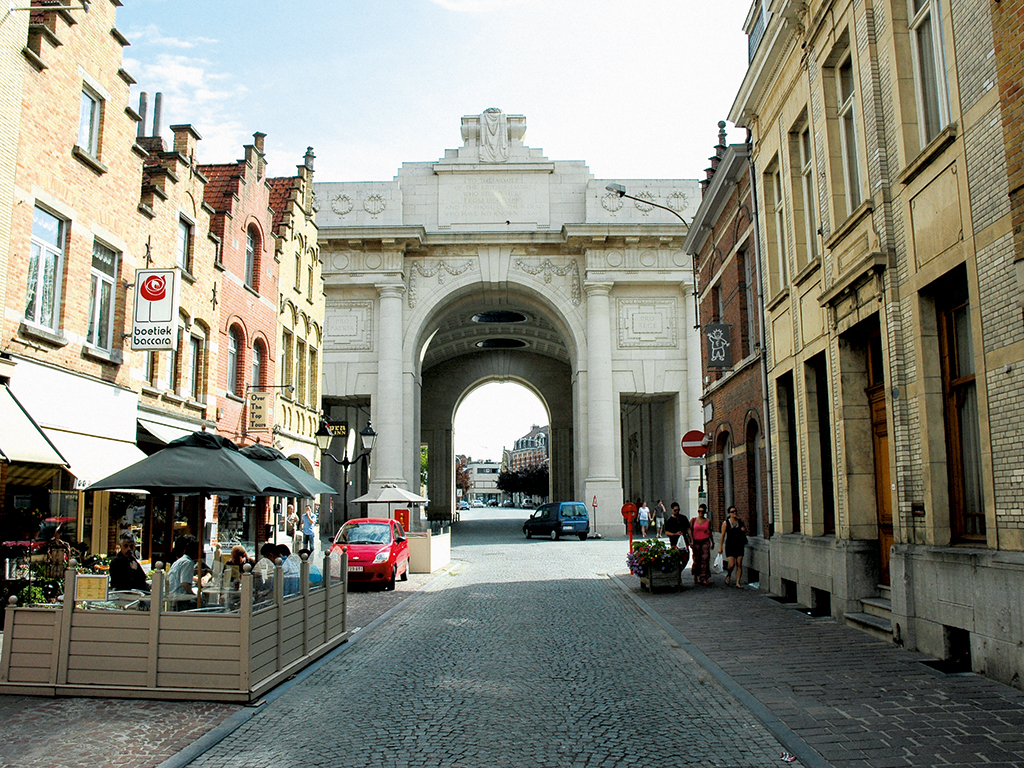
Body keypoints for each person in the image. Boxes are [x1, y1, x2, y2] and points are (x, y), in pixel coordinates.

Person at [718, 505, 749, 587]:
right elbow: (723, 535)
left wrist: (744, 530)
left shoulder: (740, 522)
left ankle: (738, 582)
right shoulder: (726, 523)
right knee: (732, 564)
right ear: (729, 514)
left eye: (735, 511)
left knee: (739, 563)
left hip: (739, 545)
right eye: (732, 512)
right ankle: (729, 574)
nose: (734, 513)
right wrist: (720, 547)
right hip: (730, 545)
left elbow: (745, 531)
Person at [165, 535, 199, 607]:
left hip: (171, 596)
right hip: (178, 599)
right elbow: (185, 584)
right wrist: (196, 597)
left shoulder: (181, 560)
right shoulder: (188, 562)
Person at [690, 504, 714, 585]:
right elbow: (690, 531)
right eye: (699, 511)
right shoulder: (693, 520)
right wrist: (691, 541)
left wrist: (712, 542)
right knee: (696, 559)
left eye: (703, 511)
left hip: (705, 541)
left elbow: (709, 532)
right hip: (696, 541)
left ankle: (703, 577)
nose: (701, 513)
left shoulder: (708, 521)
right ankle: (696, 575)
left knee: (705, 559)